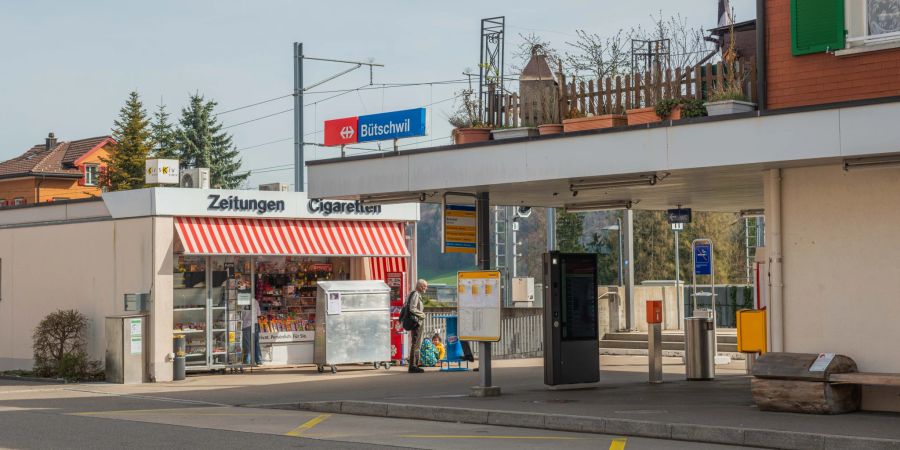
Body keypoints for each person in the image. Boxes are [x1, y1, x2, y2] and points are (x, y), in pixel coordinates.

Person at [405, 279, 427, 373]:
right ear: (420, 286)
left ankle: (414, 364)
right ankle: (413, 366)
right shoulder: (416, 294)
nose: (426, 288)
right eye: (425, 286)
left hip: (415, 321)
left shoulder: (412, 293)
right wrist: (422, 314)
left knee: (416, 342)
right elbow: (412, 308)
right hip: (416, 322)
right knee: (416, 342)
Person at [241, 298, 262, 365]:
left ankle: (247, 361)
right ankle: (258, 360)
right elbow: (259, 314)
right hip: (255, 324)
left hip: (246, 325)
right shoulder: (255, 301)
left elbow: (241, 315)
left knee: (247, 344)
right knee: (256, 343)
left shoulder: (242, 302)